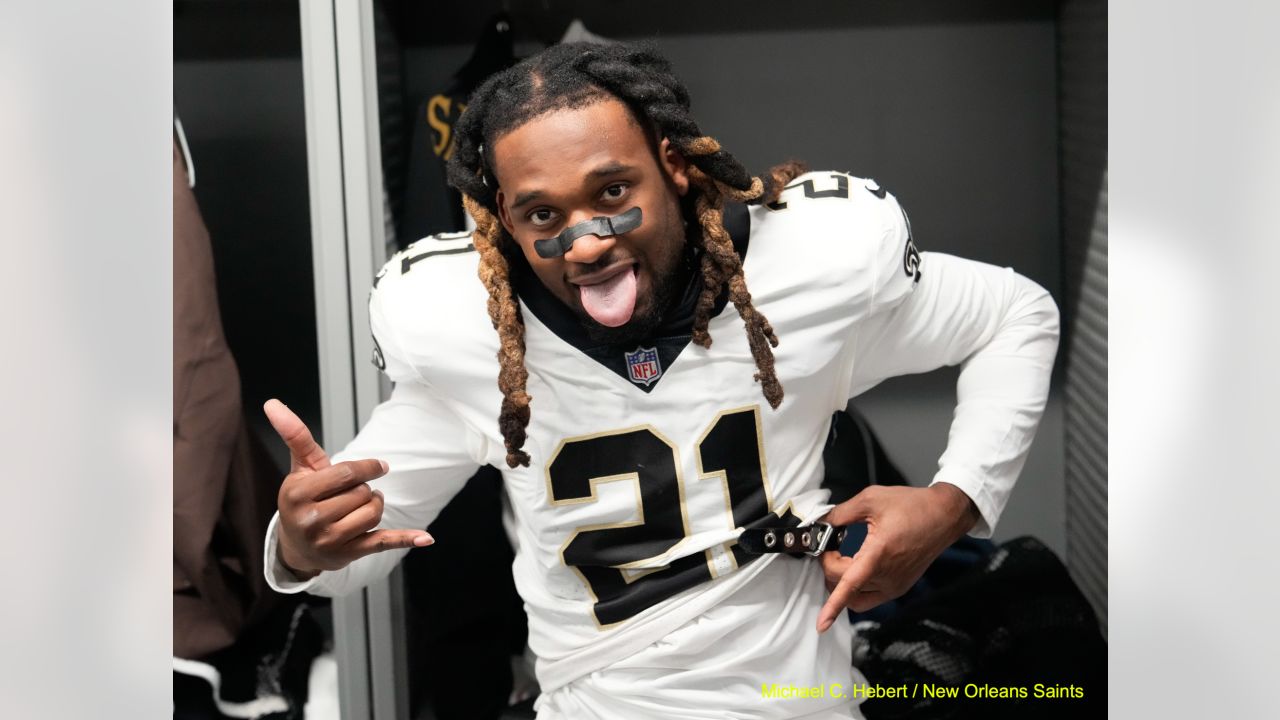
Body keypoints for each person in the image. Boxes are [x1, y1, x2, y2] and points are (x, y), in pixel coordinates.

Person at [261, 42, 1060, 719]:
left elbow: (1016, 314)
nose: (584, 243)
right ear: (503, 216)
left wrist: (951, 506)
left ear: (673, 165)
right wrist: (298, 545)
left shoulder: (805, 271)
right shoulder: (470, 334)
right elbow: (356, 552)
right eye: (542, 215)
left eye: (612, 193)